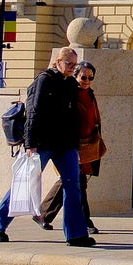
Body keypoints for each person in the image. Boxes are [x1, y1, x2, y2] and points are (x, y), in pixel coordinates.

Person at [0, 46, 95, 247]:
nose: (71, 68)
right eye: (68, 63)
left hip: (66, 144)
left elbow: (72, 118)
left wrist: (76, 147)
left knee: (73, 186)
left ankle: (75, 234)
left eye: (74, 64)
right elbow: (33, 113)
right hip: (42, 143)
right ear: (57, 62)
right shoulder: (44, 80)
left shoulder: (71, 84)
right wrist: (30, 144)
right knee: (25, 184)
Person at [38, 60, 105, 234]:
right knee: (78, 182)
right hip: (72, 145)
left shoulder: (89, 93)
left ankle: (43, 214)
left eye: (90, 77)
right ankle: (84, 222)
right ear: (75, 76)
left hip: (87, 144)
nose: (87, 80)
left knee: (72, 181)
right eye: (83, 76)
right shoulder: (70, 93)